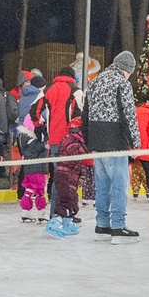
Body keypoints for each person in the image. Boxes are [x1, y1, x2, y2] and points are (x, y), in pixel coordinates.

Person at [84, 51, 142, 244]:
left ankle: (102, 225)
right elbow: (129, 115)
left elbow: (85, 113)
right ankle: (117, 226)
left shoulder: (95, 81)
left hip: (96, 140)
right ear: (127, 70)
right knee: (119, 185)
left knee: (102, 186)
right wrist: (136, 142)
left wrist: (88, 139)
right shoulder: (121, 83)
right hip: (115, 140)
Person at [46, 93, 90, 240]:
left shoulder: (66, 138)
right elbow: (82, 152)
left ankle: (67, 222)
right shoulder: (75, 142)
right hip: (66, 176)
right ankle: (55, 221)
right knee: (66, 200)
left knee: (71, 200)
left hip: (66, 176)